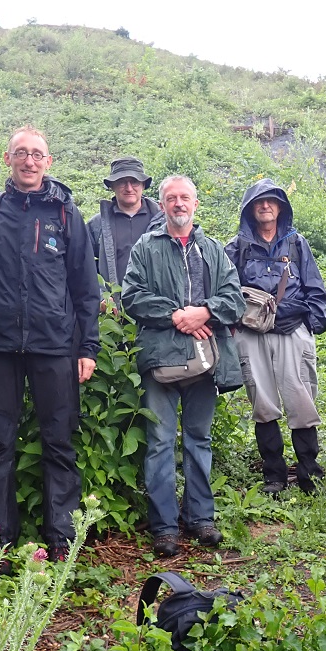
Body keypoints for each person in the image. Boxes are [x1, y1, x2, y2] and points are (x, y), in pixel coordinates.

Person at [0, 125, 100, 564]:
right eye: (21, 153)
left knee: (59, 441)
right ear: (7, 159)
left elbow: (85, 287)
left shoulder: (65, 212)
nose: (29, 161)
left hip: (55, 345)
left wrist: (87, 347)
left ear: (48, 162)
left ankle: (62, 539)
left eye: (37, 154)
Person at [121, 175, 245, 557]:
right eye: (171, 198)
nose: (178, 203)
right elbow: (132, 296)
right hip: (160, 359)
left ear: (195, 203)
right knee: (160, 442)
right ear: (162, 205)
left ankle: (200, 518)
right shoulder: (146, 247)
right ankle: (164, 527)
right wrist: (176, 315)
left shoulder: (213, 249)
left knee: (198, 438)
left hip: (205, 360)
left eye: (185, 197)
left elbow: (235, 299)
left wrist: (205, 311)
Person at [226, 179, 326, 496]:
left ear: (281, 207)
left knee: (301, 401)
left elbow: (315, 288)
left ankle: (309, 472)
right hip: (251, 334)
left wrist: (310, 324)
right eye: (258, 202)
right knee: (263, 404)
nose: (265, 206)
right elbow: (225, 293)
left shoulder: (297, 244)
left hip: (292, 332)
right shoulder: (236, 248)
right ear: (249, 210)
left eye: (271, 201)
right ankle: (274, 475)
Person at [87, 156, 164, 310]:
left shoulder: (162, 222)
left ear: (143, 185)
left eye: (134, 182)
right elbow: (84, 266)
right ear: (112, 186)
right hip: (112, 312)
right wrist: (101, 296)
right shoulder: (96, 225)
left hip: (156, 310)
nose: (129, 188)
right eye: (122, 182)